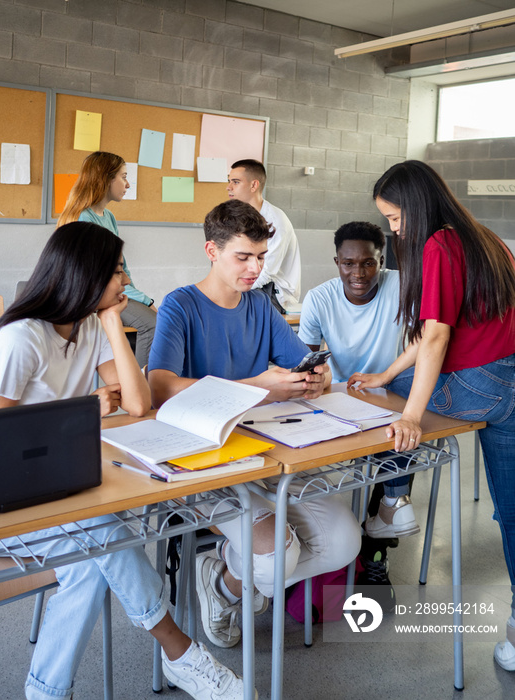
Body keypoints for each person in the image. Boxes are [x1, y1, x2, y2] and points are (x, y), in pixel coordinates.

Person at [0, 222, 248, 700]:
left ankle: (46, 692)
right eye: (116, 271)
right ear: (85, 275)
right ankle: (182, 655)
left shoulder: (88, 326)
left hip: (64, 481)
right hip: (13, 493)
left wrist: (112, 323)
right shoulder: (21, 338)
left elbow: (137, 404)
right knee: (105, 535)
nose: (124, 280)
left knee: (90, 565)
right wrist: (83, 412)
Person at [148, 199, 361, 650]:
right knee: (275, 559)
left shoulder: (260, 307)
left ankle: (232, 575)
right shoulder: (180, 305)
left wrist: (314, 376)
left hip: (263, 452)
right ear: (212, 250)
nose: (255, 268)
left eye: (262, 257)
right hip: (200, 462)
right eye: (243, 257)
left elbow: (295, 363)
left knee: (344, 541)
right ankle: (232, 580)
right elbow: (161, 387)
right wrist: (258, 386)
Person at [347, 160, 515, 671]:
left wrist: (412, 416)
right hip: (511, 381)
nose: (394, 229)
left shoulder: (439, 244)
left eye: (395, 219)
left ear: (415, 208)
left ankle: (394, 503)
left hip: (478, 385)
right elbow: (429, 334)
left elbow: (436, 336)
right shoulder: (485, 237)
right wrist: (386, 373)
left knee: (396, 400)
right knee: (511, 511)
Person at [298, 220, 408, 610]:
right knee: (389, 448)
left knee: (399, 427)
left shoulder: (402, 285)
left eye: (368, 263)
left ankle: (377, 546)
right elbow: (302, 362)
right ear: (336, 261)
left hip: (395, 393)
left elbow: (429, 342)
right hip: (343, 400)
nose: (358, 274)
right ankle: (380, 517)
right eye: (348, 264)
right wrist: (316, 378)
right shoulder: (319, 298)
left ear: (382, 261)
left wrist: (389, 377)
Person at [58, 151, 156, 368]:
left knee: (155, 316)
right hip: (91, 296)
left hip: (111, 290)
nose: (127, 184)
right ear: (106, 178)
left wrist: (140, 297)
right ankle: (144, 387)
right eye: (123, 176)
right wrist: (145, 301)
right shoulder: (84, 217)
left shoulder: (108, 217)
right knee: (153, 324)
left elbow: (122, 267)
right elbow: (101, 274)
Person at [227, 159, 301, 312]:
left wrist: (232, 291)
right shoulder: (240, 217)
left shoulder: (275, 221)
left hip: (274, 293)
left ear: (254, 185)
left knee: (229, 304)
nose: (229, 187)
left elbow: (266, 272)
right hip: (250, 283)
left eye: (235, 182)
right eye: (229, 181)